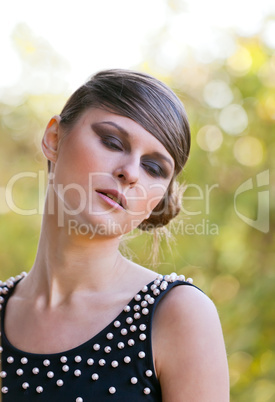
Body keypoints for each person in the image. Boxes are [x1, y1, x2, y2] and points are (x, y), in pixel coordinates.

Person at [0, 69, 229, 401]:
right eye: (112, 142)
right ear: (54, 138)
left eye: (154, 168)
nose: (130, 172)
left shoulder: (180, 315)